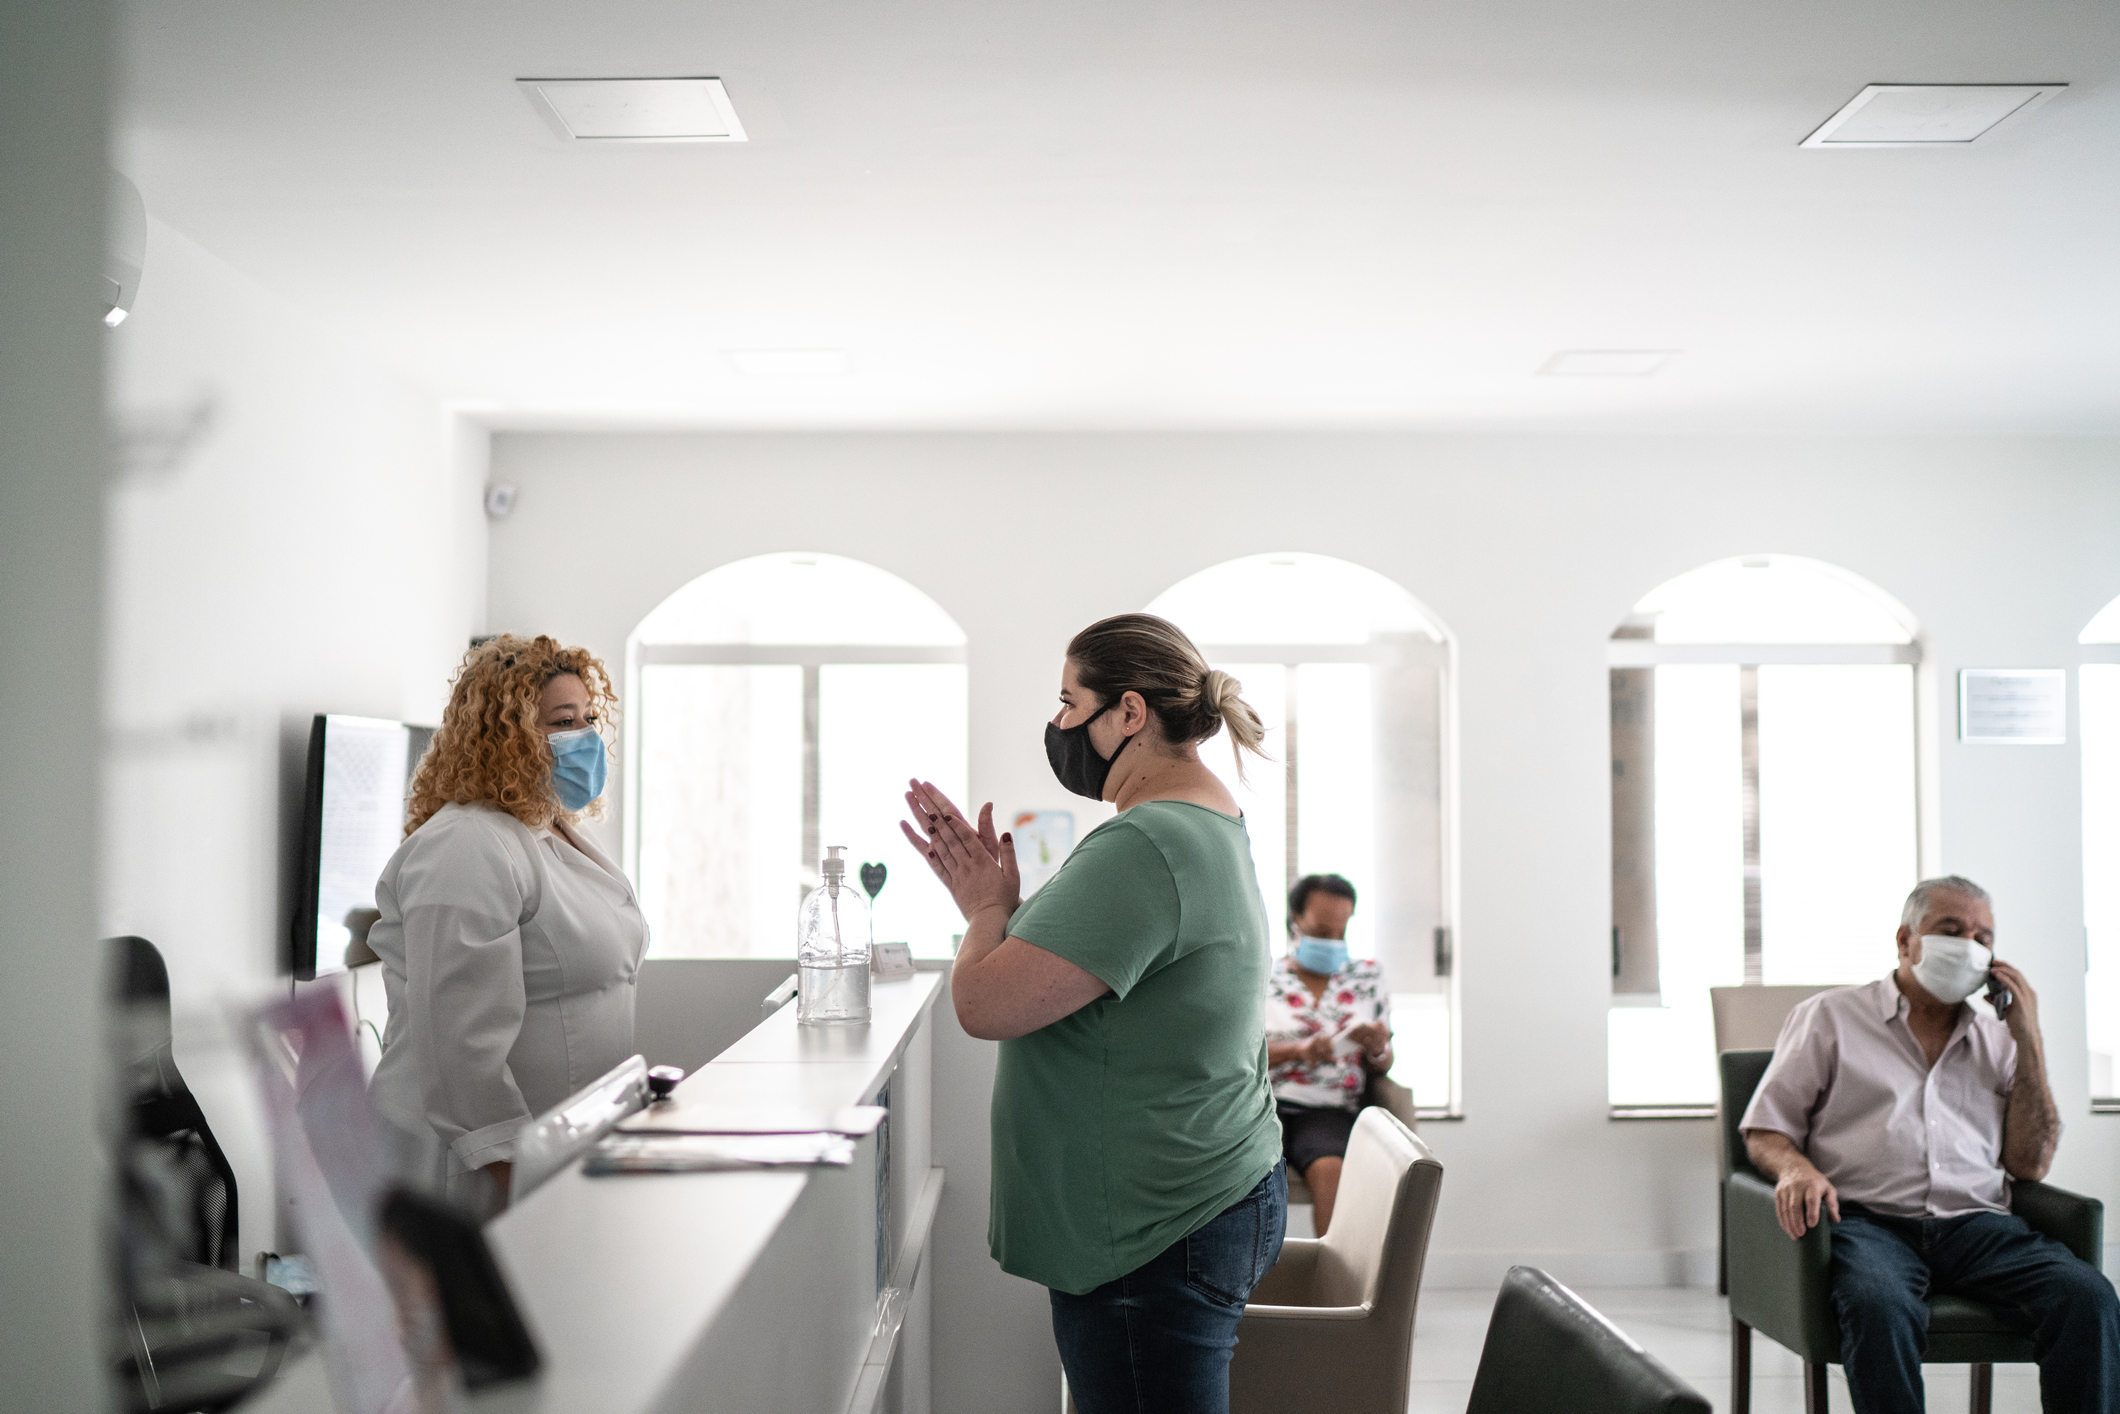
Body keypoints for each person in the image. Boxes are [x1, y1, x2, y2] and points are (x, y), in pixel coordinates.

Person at [901, 612, 1285, 1414]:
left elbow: (983, 1003)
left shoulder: (1144, 845)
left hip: (1158, 1226)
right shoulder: (1209, 820)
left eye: (1070, 703)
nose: (1059, 725)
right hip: (1199, 1194)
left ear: (1130, 713)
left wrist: (983, 911)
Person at [1740, 875, 2117, 1414]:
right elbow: (1766, 1130)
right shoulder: (1830, 1018)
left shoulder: (1997, 1040)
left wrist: (2028, 1037)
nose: (1969, 946)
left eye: (1983, 937)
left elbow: (2030, 1165)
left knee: (2089, 1299)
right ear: (1905, 941)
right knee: (1877, 1306)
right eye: (1951, 929)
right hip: (1868, 1223)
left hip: (1978, 1225)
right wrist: (1796, 1170)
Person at [366, 635, 648, 1216]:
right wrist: (510, 1171)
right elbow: (460, 1047)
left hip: (557, 1151)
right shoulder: (467, 845)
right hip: (477, 1169)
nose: (587, 738)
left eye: (590, 719)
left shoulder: (548, 830)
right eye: (563, 722)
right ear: (506, 734)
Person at [1263, 873, 1393, 1235]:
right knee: (1246, 1173)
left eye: (1341, 932)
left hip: (1329, 1108)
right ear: (1296, 922)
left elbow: (1385, 1062)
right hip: (1262, 1103)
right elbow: (1238, 1052)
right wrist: (1297, 1051)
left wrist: (1377, 1048)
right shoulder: (1263, 976)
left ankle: (1334, 1280)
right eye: (1322, 931)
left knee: (1330, 1169)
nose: (1333, 942)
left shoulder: (1366, 976)